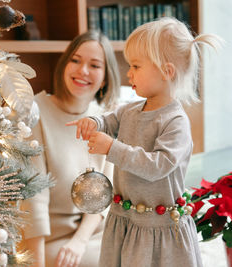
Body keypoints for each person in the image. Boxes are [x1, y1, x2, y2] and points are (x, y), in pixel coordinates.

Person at [67, 17, 220, 267]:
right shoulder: (130, 110)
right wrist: (94, 122)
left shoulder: (175, 122)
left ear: (166, 71)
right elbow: (109, 120)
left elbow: (157, 166)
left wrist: (111, 148)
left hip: (157, 225)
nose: (129, 73)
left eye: (136, 66)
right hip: (125, 217)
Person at [21, 30, 121, 267]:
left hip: (91, 232)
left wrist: (80, 241)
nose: (82, 71)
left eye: (94, 65)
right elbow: (33, 197)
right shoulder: (35, 111)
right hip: (47, 236)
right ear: (64, 65)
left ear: (105, 78)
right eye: (75, 60)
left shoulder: (106, 120)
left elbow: (104, 197)